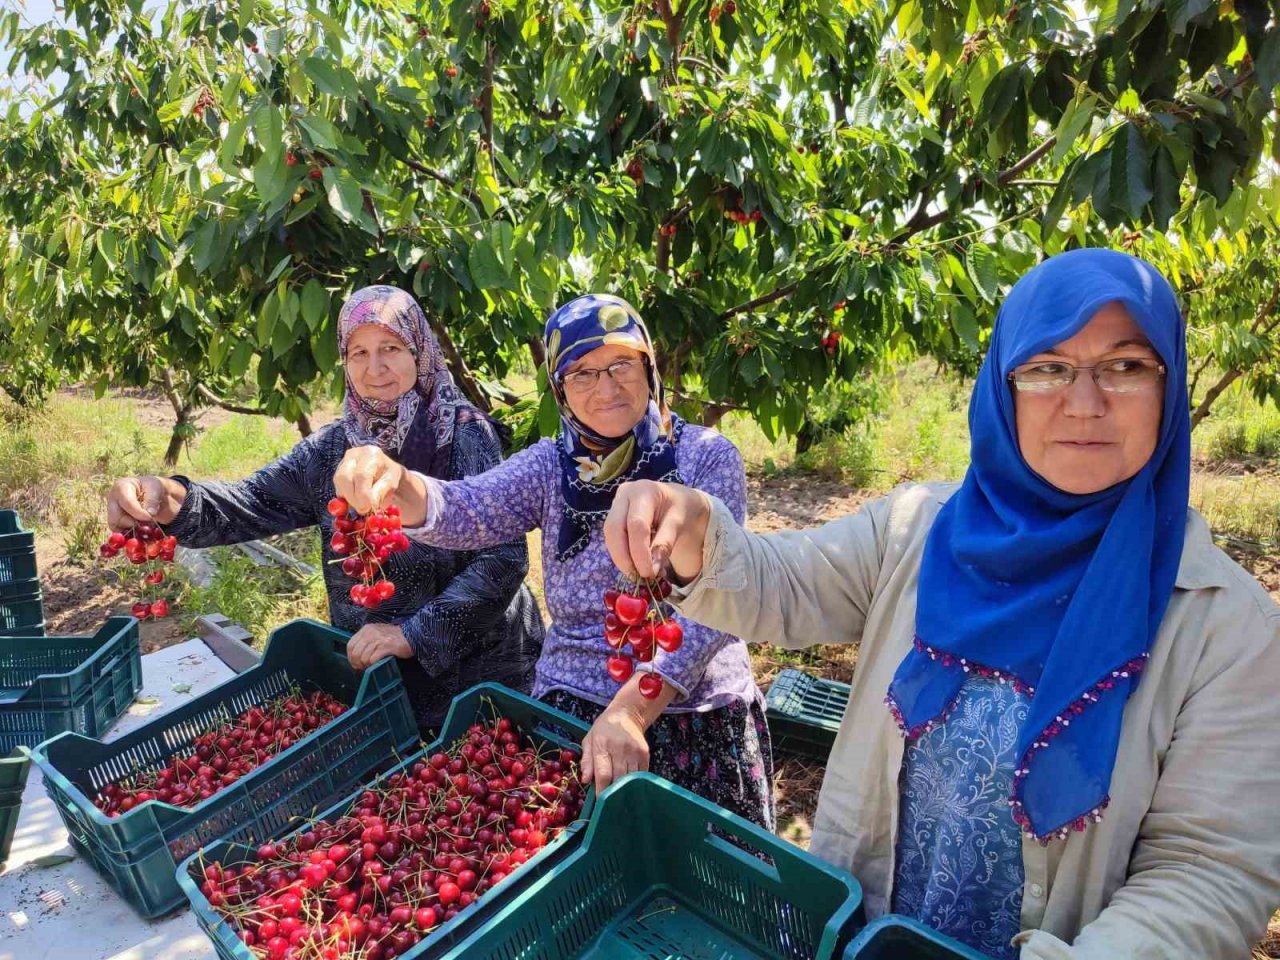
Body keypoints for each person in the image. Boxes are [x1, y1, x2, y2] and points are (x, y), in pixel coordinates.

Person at [601, 250, 1280, 959]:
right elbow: (785, 585)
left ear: (1169, 386)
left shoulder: (1227, 628)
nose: (1084, 403)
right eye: (1047, 367)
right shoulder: (918, 530)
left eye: (1126, 366)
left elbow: (1207, 869)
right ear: (1003, 386)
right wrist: (696, 528)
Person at [332, 293, 775, 829]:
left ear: (649, 366)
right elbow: (467, 507)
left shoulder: (705, 457)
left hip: (695, 707)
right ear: (559, 387)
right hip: (577, 705)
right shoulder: (550, 466)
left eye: (621, 364)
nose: (606, 388)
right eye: (582, 373)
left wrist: (631, 711)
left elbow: (714, 605)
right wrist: (396, 481)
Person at [106, 285, 544, 732]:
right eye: (359, 353)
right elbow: (249, 502)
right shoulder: (332, 450)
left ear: (419, 351)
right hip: (381, 675)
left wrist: (414, 635)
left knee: (477, 763)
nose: (375, 368)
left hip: (479, 675)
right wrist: (164, 497)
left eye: (391, 348)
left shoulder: (464, 435)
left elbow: (504, 558)